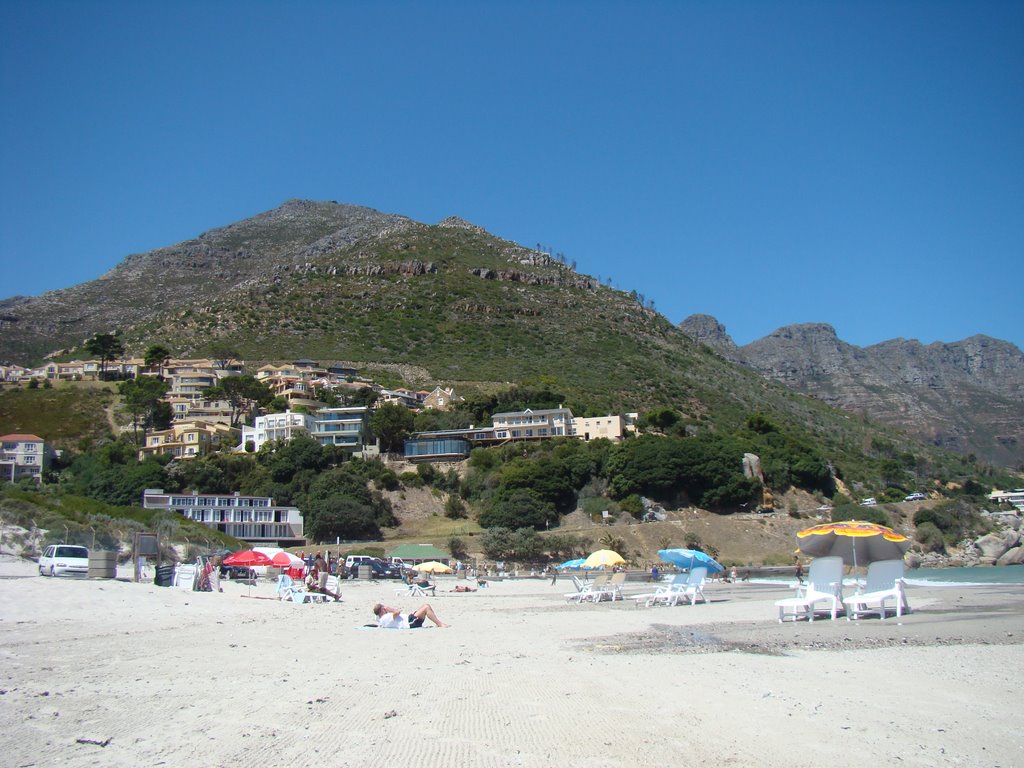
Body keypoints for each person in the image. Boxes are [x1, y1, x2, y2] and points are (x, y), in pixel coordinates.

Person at [372, 602, 448, 629]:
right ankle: (439, 624)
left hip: (409, 619)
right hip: (409, 623)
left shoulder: (381, 618)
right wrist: (389, 608)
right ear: (382, 610)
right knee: (426, 607)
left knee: (425, 605)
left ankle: (439, 623)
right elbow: (397, 612)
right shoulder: (385, 617)